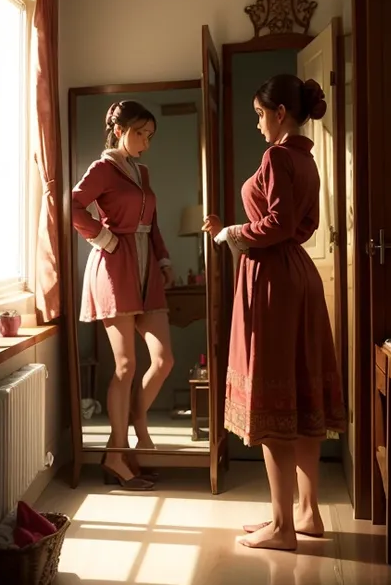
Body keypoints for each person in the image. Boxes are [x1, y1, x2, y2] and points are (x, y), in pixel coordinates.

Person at [202, 74, 345, 550]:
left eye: (261, 114)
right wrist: (239, 229)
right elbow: (299, 225)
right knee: (300, 392)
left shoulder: (278, 155)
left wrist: (232, 234)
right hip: (298, 274)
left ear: (280, 112)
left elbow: (278, 223)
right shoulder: (306, 159)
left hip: (273, 282)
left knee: (273, 393)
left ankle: (283, 527)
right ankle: (306, 512)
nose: (258, 124)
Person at [72, 100, 175, 491]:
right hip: (115, 267)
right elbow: (71, 204)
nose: (145, 143)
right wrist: (102, 237)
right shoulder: (102, 168)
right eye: (139, 134)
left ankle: (136, 423)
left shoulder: (141, 171)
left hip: (148, 270)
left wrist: (164, 259)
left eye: (149, 136)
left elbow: (153, 222)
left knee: (164, 360)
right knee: (126, 365)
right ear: (119, 131)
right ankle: (118, 452)